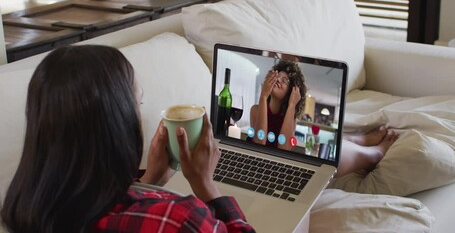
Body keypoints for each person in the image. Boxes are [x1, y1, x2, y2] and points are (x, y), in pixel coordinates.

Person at [0, 45, 255, 233]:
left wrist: (148, 181)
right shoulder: (179, 219)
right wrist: (205, 185)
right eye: (137, 102)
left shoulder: (24, 211)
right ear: (117, 123)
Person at [249, 60, 399, 177]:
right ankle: (375, 153)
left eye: (285, 80)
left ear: (292, 91)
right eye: (277, 76)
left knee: (328, 152)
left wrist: (292, 105)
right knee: (331, 157)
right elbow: (259, 144)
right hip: (267, 167)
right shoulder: (256, 110)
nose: (279, 81)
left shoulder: (290, 118)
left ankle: (361, 141)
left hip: (282, 162)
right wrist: (263, 96)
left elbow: (284, 150)